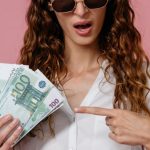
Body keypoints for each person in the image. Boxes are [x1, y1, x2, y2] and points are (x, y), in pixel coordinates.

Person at [0, 0, 150, 149]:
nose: (81, 11)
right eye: (65, 3)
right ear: (49, 6)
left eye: (93, 0)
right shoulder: (16, 90)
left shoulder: (143, 80)